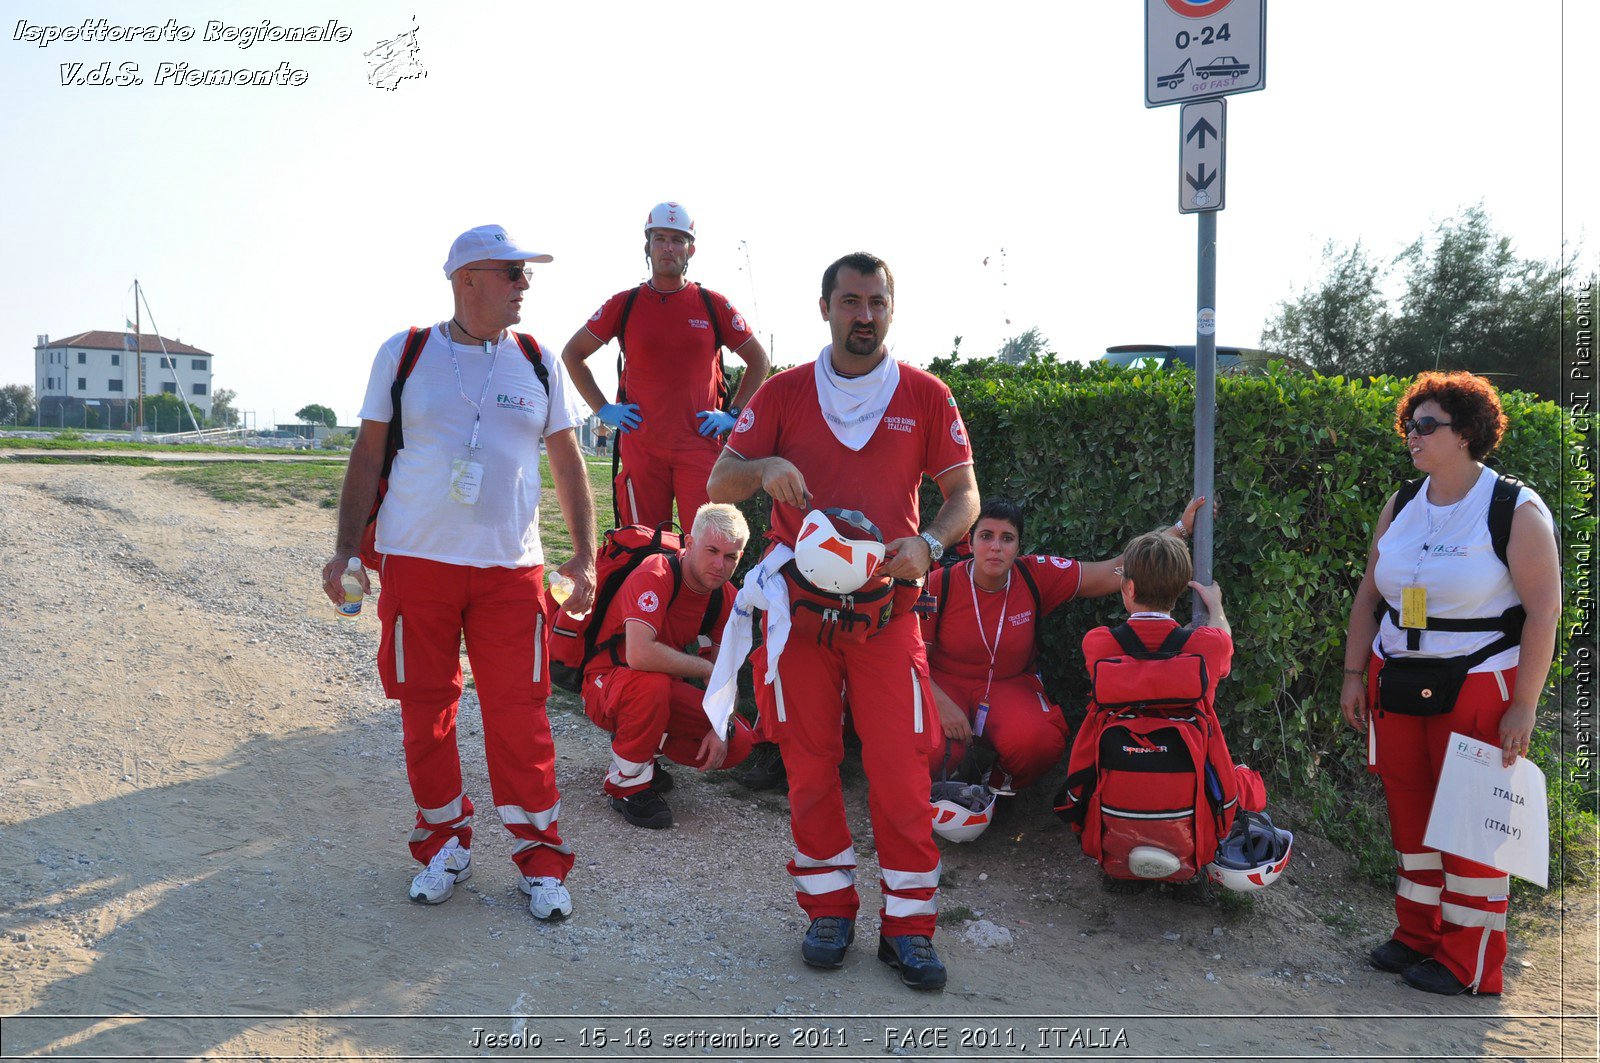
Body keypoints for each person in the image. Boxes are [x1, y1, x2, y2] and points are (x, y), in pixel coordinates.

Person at [706, 251, 980, 991]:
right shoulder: (788, 392)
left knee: (899, 773)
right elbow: (718, 477)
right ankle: (828, 908)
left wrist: (928, 544)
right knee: (809, 765)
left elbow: (964, 496)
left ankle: (910, 927)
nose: (865, 315)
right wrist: (762, 471)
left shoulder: (925, 395)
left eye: (877, 302)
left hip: (889, 617)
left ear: (892, 308)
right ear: (825, 307)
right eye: (851, 301)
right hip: (799, 617)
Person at [320, 224, 598, 922]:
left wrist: (585, 556)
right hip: (418, 564)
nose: (524, 285)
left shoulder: (538, 360)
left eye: (525, 274)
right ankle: (443, 843)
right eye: (512, 273)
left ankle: (540, 860)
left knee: (522, 718)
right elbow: (367, 452)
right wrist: (346, 547)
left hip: (512, 571)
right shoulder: (405, 353)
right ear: (467, 278)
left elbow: (568, 464)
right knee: (427, 713)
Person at [1339, 370, 1559, 997]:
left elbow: (1544, 611)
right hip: (1396, 678)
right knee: (1409, 811)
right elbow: (1368, 596)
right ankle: (1417, 935)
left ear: (1465, 433)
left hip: (1481, 682)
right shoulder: (1403, 502)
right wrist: (1355, 674)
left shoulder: (1512, 507)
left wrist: (1524, 706)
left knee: (1472, 821)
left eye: (1427, 425)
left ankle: (1470, 960)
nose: (1413, 435)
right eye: (1410, 423)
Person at [923, 498, 1205, 798]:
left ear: (1019, 546)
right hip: (945, 684)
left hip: (1009, 684)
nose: (996, 547)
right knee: (927, 748)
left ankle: (995, 784)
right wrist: (941, 706)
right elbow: (911, 658)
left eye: (1007, 538)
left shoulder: (1034, 574)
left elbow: (1112, 571)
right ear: (971, 540)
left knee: (1039, 742)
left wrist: (1179, 530)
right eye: (986, 536)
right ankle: (946, 778)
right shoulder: (941, 583)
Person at [562, 201, 771, 529]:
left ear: (691, 249)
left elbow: (759, 361)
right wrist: (603, 409)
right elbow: (573, 354)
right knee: (642, 549)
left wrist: (734, 414)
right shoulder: (625, 304)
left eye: (678, 240)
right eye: (660, 238)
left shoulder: (711, 304)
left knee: (706, 549)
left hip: (699, 448)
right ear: (647, 246)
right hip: (642, 448)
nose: (668, 248)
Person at [581, 503, 758, 829]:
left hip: (655, 690)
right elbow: (639, 655)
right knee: (652, 684)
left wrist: (720, 727)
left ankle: (644, 751)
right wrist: (707, 671)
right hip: (605, 682)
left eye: (731, 557)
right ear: (689, 544)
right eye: (712, 551)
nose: (720, 565)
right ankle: (626, 785)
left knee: (738, 742)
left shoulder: (726, 596)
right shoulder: (656, 573)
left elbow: (726, 674)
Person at [1078, 530, 1235, 893]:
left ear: (1129, 589)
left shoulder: (1099, 643)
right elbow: (1224, 643)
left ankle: (1117, 853)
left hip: (1117, 803)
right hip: (1186, 802)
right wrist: (1216, 607)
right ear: (1181, 591)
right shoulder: (1206, 646)